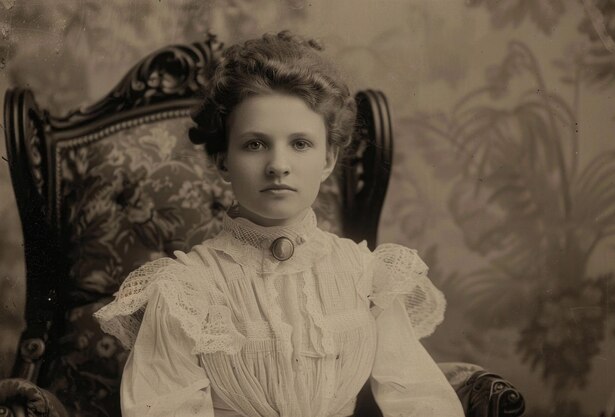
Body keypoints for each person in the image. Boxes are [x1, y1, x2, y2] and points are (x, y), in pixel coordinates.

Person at [94, 31, 464, 417]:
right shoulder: (185, 291)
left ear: (328, 160)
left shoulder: (366, 276)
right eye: (255, 144)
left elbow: (419, 399)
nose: (278, 165)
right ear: (222, 161)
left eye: (300, 144)